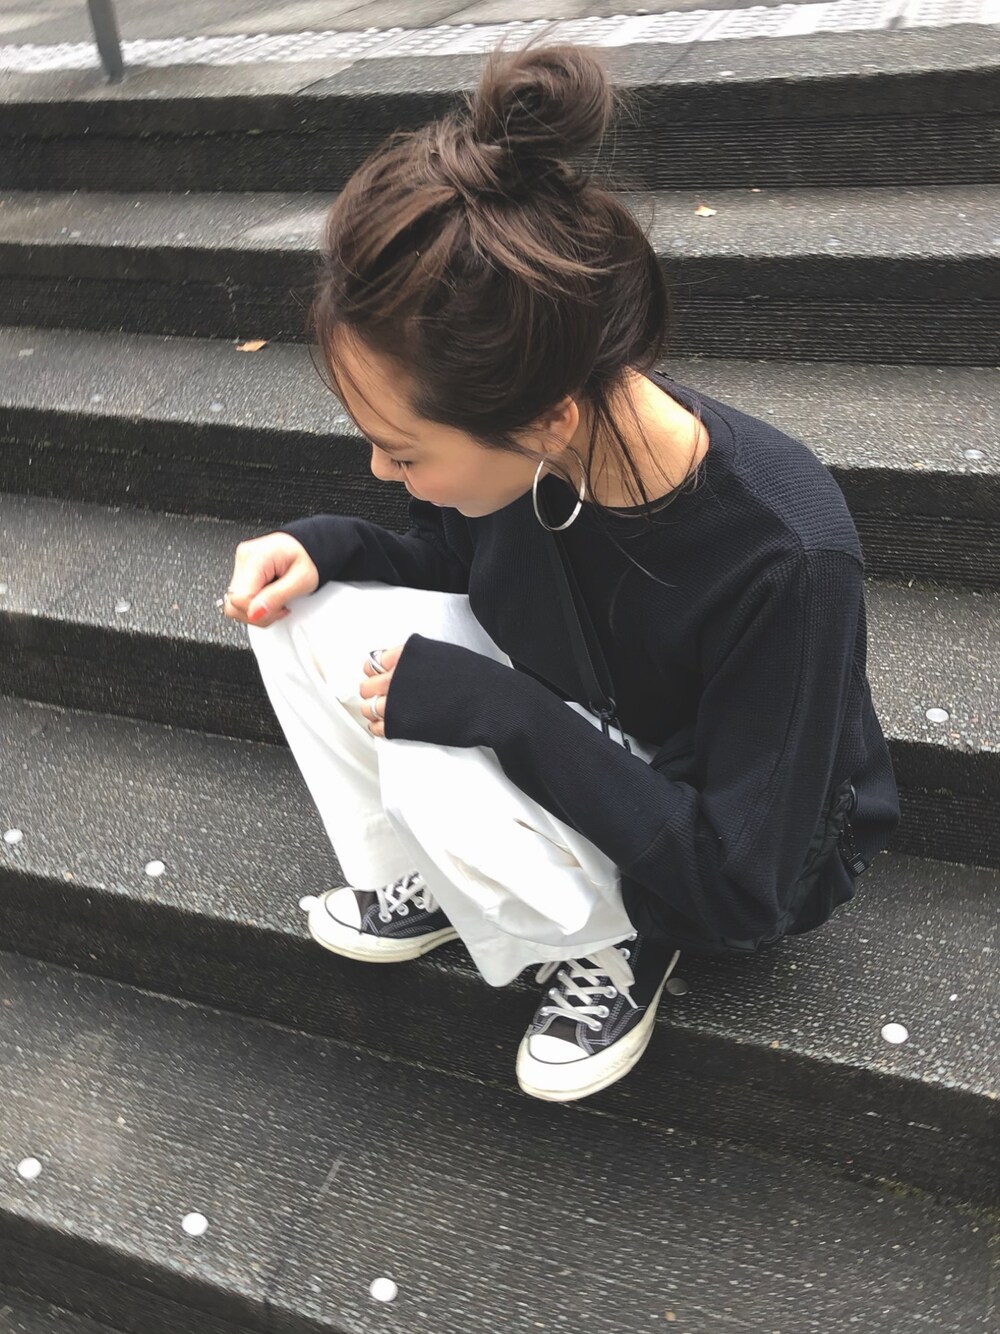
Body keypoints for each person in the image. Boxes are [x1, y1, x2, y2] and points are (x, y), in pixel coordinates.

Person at [223, 40, 900, 1105]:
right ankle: (441, 881)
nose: (381, 471)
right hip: (590, 714)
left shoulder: (785, 556)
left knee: (433, 753)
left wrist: (497, 711)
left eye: (402, 451)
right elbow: (462, 560)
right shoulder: (541, 439)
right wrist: (329, 547)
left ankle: (615, 941)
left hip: (720, 837)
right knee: (302, 615)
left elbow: (746, 881)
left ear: (546, 420)